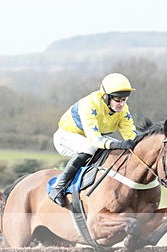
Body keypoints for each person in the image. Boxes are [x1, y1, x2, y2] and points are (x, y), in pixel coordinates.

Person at [49, 72, 138, 207]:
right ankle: (57, 188)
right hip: (65, 137)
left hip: (89, 138)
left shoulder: (123, 109)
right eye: (117, 100)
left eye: (124, 100)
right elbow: (95, 140)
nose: (121, 104)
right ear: (105, 97)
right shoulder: (89, 105)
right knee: (89, 148)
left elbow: (131, 134)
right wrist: (117, 143)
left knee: (119, 150)